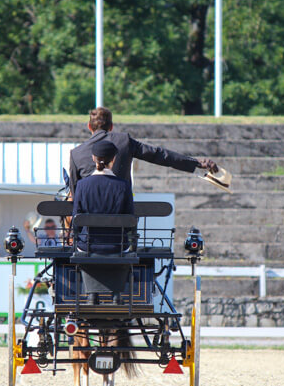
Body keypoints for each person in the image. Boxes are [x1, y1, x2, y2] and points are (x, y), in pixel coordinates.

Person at [68, 106, 219, 195]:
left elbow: (74, 195)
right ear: (111, 127)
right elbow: (160, 155)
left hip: (87, 231)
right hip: (122, 226)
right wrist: (196, 163)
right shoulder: (124, 141)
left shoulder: (75, 154)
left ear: (89, 126)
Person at [72, 140, 134, 304]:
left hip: (88, 246)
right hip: (117, 245)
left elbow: (76, 221)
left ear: (93, 158)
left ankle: (92, 294)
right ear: (113, 159)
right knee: (123, 247)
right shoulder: (123, 186)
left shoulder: (82, 185)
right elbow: (130, 220)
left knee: (81, 246)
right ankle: (116, 294)